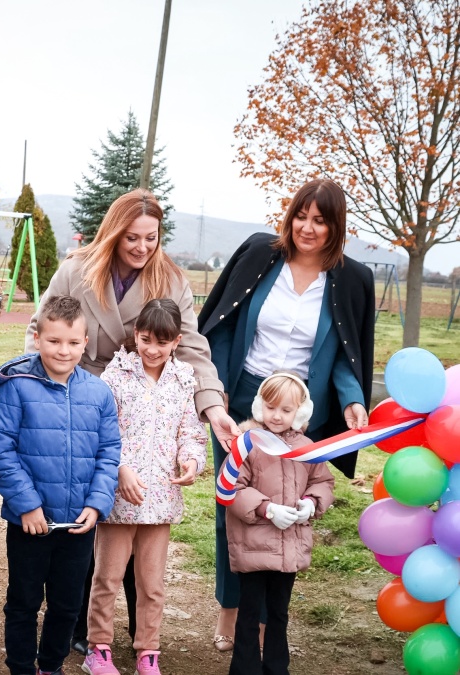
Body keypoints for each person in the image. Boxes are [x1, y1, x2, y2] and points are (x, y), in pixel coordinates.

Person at [25, 189, 239, 651]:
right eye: (132, 238)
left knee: (134, 517)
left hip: (140, 405)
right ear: (113, 233)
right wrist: (34, 388)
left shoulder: (171, 279)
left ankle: (137, 632)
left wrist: (213, 407)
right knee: (83, 512)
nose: (142, 248)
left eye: (151, 238)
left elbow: (191, 347)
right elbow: (38, 330)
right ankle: (79, 625)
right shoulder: (76, 270)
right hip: (76, 399)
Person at [198, 178, 375, 651]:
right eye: (301, 215)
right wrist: (212, 395)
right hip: (243, 404)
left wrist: (353, 398)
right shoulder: (259, 253)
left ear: (335, 226)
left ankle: (266, 620)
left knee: (286, 513)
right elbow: (222, 326)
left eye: (320, 220)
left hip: (300, 416)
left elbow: (344, 352)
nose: (307, 228)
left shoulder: (352, 278)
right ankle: (231, 612)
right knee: (234, 507)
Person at [0, 295, 121, 675]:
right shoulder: (16, 388)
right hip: (30, 521)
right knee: (24, 600)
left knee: (67, 603)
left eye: (73, 342)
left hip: (78, 523)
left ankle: (51, 666)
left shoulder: (98, 393)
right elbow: (2, 449)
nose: (63, 351)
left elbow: (109, 452)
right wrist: (27, 505)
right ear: (37, 337)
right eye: (54, 341)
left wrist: (97, 504)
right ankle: (21, 667)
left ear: (86, 342)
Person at [83, 299, 207, 675]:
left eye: (162, 342)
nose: (152, 349)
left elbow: (191, 432)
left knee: (152, 583)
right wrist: (118, 469)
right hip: (119, 498)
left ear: (176, 341)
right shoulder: (115, 377)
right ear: (135, 335)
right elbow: (100, 434)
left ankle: (147, 652)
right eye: (146, 339)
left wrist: (191, 460)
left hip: (160, 500)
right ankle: (98, 648)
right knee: (107, 577)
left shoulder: (184, 379)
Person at [226, 372, 335, 674]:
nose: (277, 416)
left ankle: (277, 667)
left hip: (290, 547)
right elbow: (231, 488)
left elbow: (323, 481)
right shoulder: (247, 444)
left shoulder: (308, 448)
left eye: (286, 410)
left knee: (279, 612)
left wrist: (311, 503)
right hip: (254, 547)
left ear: (300, 413)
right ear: (261, 407)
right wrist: (266, 508)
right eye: (271, 408)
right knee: (249, 611)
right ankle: (244, 668)